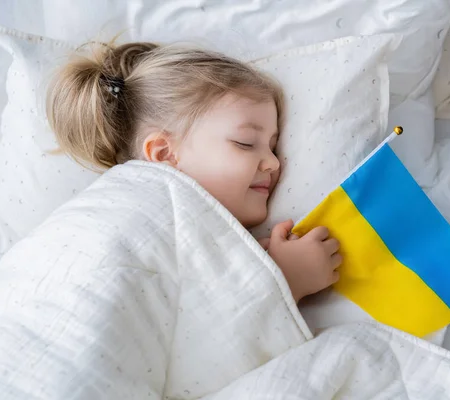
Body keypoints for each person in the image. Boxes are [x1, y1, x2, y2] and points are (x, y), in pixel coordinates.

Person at [46, 40, 342, 303]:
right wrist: (287, 281)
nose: (274, 163)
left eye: (274, 147)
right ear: (164, 154)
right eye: (246, 143)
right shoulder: (133, 220)